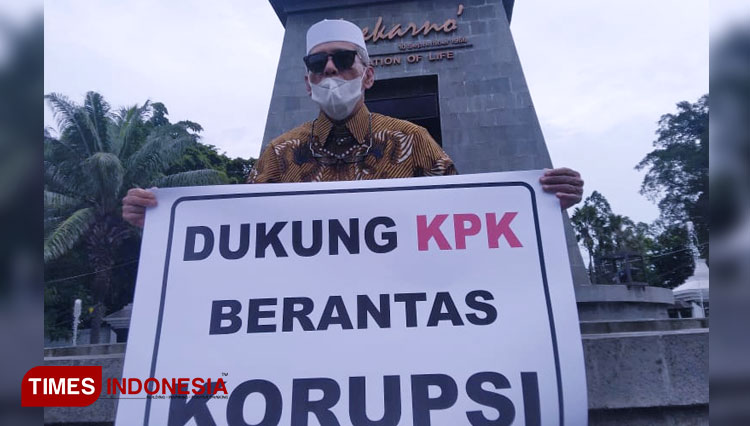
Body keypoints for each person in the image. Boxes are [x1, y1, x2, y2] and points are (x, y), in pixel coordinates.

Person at [122, 19, 584, 227]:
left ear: (367, 74)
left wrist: (535, 213)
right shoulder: (280, 155)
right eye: (317, 63)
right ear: (306, 81)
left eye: (343, 60)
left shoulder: (413, 142)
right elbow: (236, 231)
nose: (329, 71)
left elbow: (468, 222)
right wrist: (164, 225)